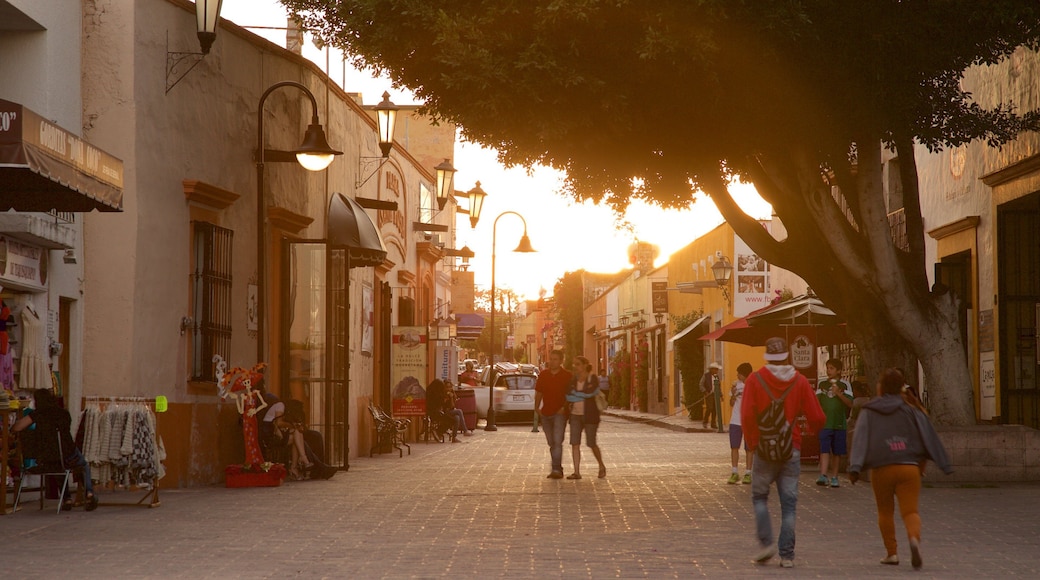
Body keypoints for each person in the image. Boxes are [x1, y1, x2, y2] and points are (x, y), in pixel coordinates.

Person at [849, 368, 952, 570]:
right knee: (910, 511)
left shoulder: (869, 410)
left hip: (882, 468)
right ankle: (913, 539)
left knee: (885, 512)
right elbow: (928, 434)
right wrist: (944, 463)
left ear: (880, 387)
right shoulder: (911, 409)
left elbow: (860, 439)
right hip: (909, 468)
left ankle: (892, 553)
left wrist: (855, 467)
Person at [741, 337, 826, 568]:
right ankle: (787, 556)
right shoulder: (799, 381)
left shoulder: (754, 379)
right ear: (787, 357)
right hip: (792, 448)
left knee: (759, 498)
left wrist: (752, 441)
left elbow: (747, 415)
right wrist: (809, 431)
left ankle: (766, 543)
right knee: (789, 504)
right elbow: (817, 417)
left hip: (764, 449)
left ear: (767, 356)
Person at [12, 388, 98, 511]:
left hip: (46, 458)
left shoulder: (37, 414)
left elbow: (17, 428)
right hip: (68, 455)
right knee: (82, 465)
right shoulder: (64, 413)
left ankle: (67, 498)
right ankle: (89, 493)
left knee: (56, 463)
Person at [564, 356, 607, 479]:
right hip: (575, 415)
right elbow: (568, 396)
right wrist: (582, 396)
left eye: (577, 364)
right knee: (574, 443)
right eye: (574, 364)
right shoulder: (573, 380)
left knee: (591, 443)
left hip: (590, 416)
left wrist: (577, 395)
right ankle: (576, 471)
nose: (575, 366)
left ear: (584, 365)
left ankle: (601, 465)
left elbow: (591, 393)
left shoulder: (592, 378)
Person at [534, 349, 572, 479]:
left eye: (555, 359)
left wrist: (564, 407)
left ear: (561, 361)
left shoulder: (567, 376)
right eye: (551, 359)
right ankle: (557, 466)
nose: (552, 362)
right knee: (551, 442)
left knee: (557, 441)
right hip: (546, 413)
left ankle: (556, 469)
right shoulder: (543, 375)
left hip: (560, 413)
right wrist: (536, 407)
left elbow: (571, 394)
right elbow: (539, 392)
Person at [815, 358, 853, 488]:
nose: (828, 371)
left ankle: (835, 477)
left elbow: (850, 403)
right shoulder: (822, 384)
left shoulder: (845, 385)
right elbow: (816, 401)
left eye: (831, 368)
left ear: (838, 371)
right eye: (827, 368)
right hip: (825, 423)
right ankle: (823, 475)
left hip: (839, 423)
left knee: (837, 452)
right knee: (824, 449)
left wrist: (838, 394)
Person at [727, 362, 754, 485]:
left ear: (745, 374)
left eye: (740, 373)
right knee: (734, 446)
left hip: (749, 420)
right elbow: (731, 403)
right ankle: (734, 472)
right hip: (735, 420)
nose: (737, 375)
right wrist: (733, 394)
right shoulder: (735, 385)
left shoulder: (753, 385)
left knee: (749, 448)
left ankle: (748, 472)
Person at [701, 362, 722, 430]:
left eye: (717, 369)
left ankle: (713, 423)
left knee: (715, 409)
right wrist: (705, 391)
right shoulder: (706, 375)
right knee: (709, 408)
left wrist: (721, 395)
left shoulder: (717, 377)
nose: (716, 371)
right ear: (711, 369)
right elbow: (701, 384)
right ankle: (705, 421)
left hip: (715, 394)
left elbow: (719, 386)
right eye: (715, 369)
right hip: (709, 394)